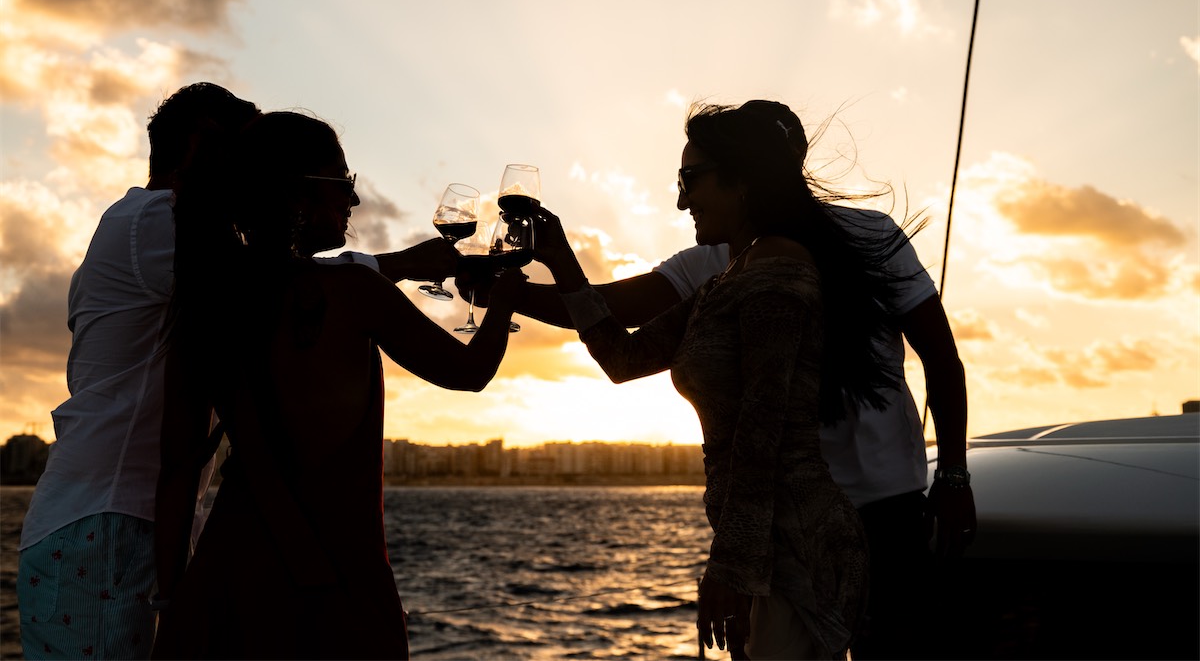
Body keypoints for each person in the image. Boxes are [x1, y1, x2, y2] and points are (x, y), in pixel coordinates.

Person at [500, 100, 974, 659]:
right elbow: (623, 354)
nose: (680, 200)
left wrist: (731, 565)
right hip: (778, 533)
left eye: (689, 180)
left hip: (852, 517)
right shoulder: (724, 274)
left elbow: (762, 435)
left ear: (744, 178)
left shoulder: (784, 277)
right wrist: (550, 265)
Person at [16, 83, 462, 661]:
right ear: (204, 145)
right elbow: (274, 280)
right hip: (107, 520)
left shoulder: (149, 227)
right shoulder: (154, 222)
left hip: (119, 516)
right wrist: (397, 267)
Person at [149, 111, 523, 660]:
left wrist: (172, 602)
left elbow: (178, 472)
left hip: (227, 583)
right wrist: (507, 292)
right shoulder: (353, 292)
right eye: (344, 184)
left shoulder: (206, 305)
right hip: (336, 590)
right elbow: (469, 373)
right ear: (298, 194)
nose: (355, 200)